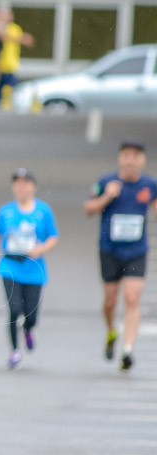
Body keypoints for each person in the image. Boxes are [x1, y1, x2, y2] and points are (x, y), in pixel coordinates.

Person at [85, 140, 157, 371]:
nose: (130, 160)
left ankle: (127, 350)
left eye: (135, 156)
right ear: (120, 158)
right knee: (110, 301)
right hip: (109, 250)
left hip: (136, 251)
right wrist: (107, 196)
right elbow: (88, 209)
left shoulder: (150, 185)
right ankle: (111, 331)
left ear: (142, 160)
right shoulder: (106, 182)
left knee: (132, 299)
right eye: (126, 155)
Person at [0, 169, 59, 369]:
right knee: (14, 308)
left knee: (31, 315)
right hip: (10, 266)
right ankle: (15, 351)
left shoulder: (43, 211)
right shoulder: (6, 211)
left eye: (25, 183)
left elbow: (53, 236)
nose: (21, 188)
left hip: (34, 269)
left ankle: (28, 329)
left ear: (33, 187)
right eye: (17, 184)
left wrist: (41, 248)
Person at [0, 8, 34, 109]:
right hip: (0, 64)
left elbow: (28, 41)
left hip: (11, 63)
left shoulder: (15, 28)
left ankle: (7, 105)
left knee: (9, 88)